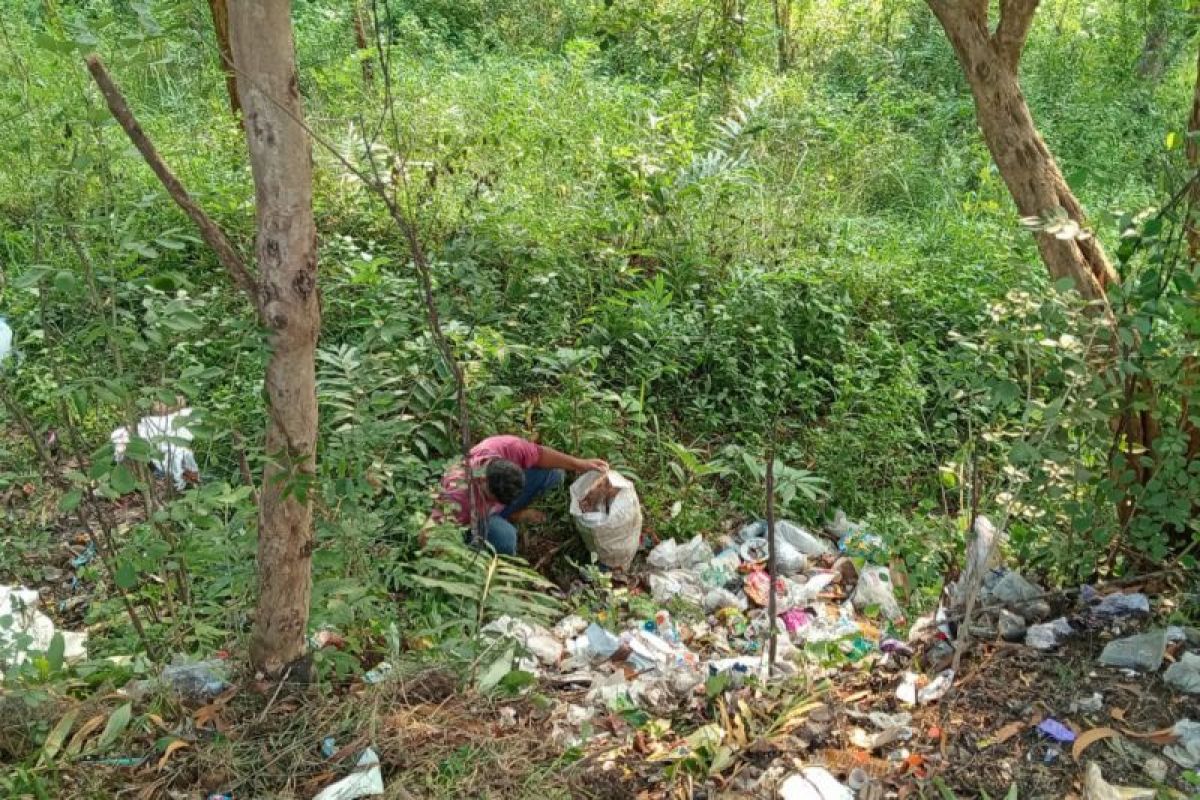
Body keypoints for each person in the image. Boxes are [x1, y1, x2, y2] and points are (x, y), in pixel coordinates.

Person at [431, 434, 607, 556]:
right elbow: (429, 534)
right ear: (483, 480)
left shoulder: (506, 448)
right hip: (476, 519)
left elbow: (540, 455)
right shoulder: (457, 495)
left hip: (496, 498)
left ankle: (511, 513)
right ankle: (506, 520)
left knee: (555, 474)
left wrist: (580, 464)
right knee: (506, 539)